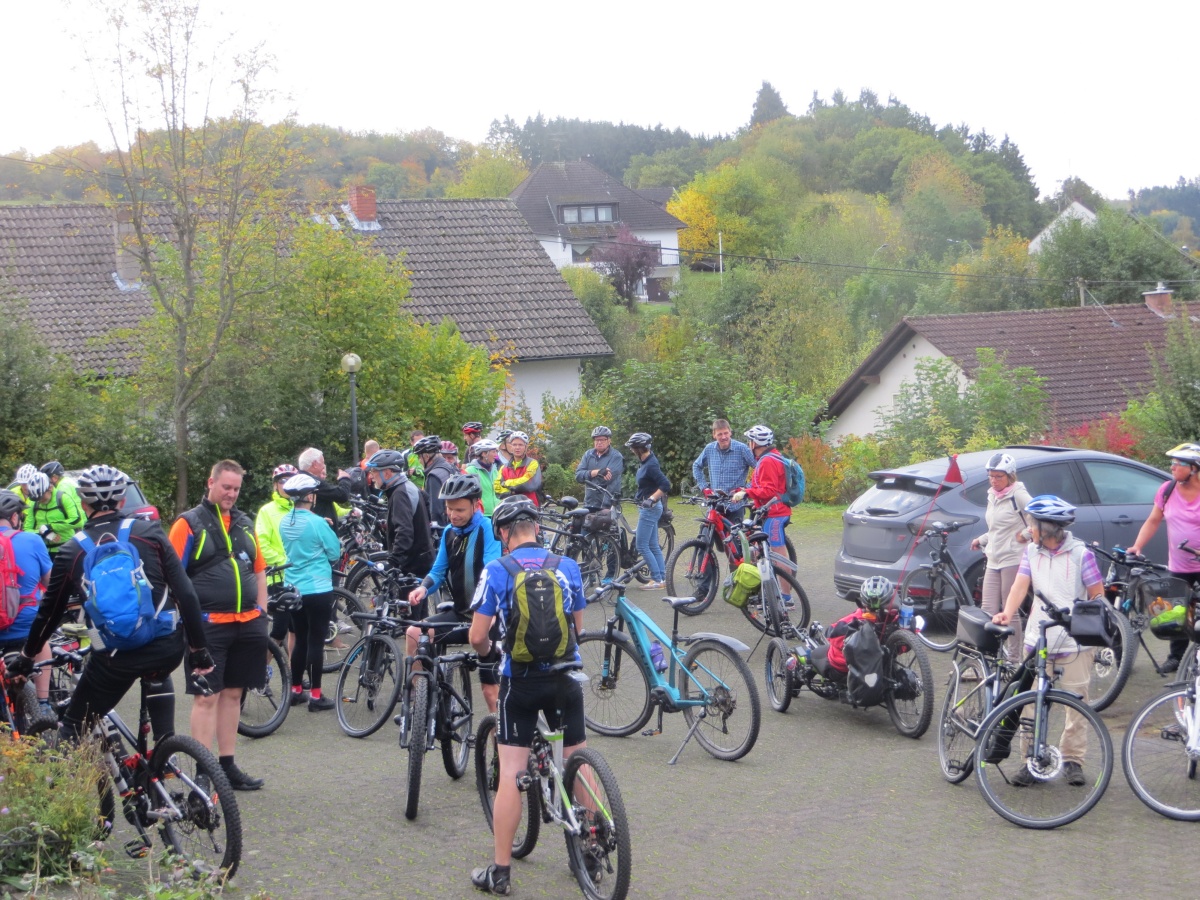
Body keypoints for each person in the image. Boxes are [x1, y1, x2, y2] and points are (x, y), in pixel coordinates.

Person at [8, 466, 213, 742]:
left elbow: (49, 614)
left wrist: (26, 657)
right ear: (121, 502)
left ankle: (84, 774)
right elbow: (186, 593)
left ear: (82, 503)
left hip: (115, 658)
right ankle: (165, 750)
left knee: (72, 729)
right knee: (156, 667)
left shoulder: (72, 551)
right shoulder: (150, 533)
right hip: (167, 648)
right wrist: (199, 649)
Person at [467, 496, 588, 896]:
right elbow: (578, 628)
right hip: (565, 679)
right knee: (577, 760)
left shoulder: (497, 570)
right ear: (536, 527)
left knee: (510, 774)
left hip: (519, 683)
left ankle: (500, 873)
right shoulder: (566, 566)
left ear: (503, 534)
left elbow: (478, 636)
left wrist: (487, 655)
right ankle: (589, 848)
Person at [992, 495, 1103, 787]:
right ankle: (1031, 761)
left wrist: (1092, 620)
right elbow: (1020, 584)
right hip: (1037, 639)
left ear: (1049, 528)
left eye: (1033, 524)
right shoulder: (1031, 551)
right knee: (1030, 705)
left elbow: (1097, 594)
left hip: (1073, 643)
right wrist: (1007, 612)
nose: (1029, 529)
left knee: (1076, 704)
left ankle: (1072, 760)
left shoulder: (1081, 554)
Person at [170, 460, 268, 791]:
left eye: (236, 489)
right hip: (208, 625)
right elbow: (172, 575)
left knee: (233, 694)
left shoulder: (244, 522)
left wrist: (263, 611)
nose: (231, 494)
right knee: (206, 697)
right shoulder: (188, 524)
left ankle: (227, 767)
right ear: (210, 482)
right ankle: (203, 772)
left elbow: (259, 569)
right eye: (226, 487)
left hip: (247, 623)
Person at [405, 473, 502, 712]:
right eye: (449, 509)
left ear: (476, 504)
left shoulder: (488, 529)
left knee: (491, 694)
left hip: (488, 619)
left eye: (459, 509)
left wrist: (491, 613)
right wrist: (422, 588)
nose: (453, 515)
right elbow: (438, 571)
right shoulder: (449, 532)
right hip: (460, 616)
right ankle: (419, 702)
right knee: (414, 633)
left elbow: (491, 572)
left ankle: (500, 743)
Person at [1129, 442, 1200, 672]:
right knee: (1176, 612)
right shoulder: (1167, 491)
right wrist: (1137, 546)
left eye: (1177, 463)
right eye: (1172, 463)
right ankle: (1175, 658)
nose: (1172, 467)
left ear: (1194, 468)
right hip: (1179, 566)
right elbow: (1153, 521)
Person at [277, 473, 342, 711]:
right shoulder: (317, 523)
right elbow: (334, 553)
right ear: (310, 497)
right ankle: (316, 695)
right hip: (318, 588)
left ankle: (295, 691)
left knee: (300, 639)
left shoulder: (284, 521)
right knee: (316, 640)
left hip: (294, 588)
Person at [969, 452, 1032, 658]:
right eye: (991, 476)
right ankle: (986, 659)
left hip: (1013, 558)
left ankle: (1013, 660)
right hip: (994, 558)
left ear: (1010, 475)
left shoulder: (1018, 495)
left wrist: (1024, 535)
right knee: (987, 610)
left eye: (998, 476)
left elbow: (1038, 521)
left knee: (1009, 611)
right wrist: (982, 539)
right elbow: (997, 528)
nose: (994, 481)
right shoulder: (992, 496)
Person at [0, 489, 54, 711]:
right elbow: (51, 582)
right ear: (14, 517)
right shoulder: (32, 540)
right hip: (26, 627)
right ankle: (43, 703)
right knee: (42, 640)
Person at [732, 425, 793, 606]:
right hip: (771, 511)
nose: (748, 443)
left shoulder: (767, 461)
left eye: (750, 440)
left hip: (775, 513)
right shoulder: (769, 457)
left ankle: (787, 598)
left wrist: (748, 493)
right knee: (764, 551)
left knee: (779, 554)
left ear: (756, 443)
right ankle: (770, 590)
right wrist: (752, 495)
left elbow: (770, 490)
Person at [366, 449, 435, 580]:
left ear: (386, 473)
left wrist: (393, 562)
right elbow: (426, 501)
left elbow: (404, 531)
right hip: (420, 557)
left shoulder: (399, 494)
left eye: (374, 471)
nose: (371, 475)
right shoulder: (406, 486)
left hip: (412, 565)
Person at [255, 464, 298, 650]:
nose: (287, 484)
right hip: (278, 576)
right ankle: (260, 672)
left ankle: (293, 676)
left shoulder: (300, 508)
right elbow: (261, 545)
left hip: (299, 576)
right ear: (275, 486)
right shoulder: (267, 511)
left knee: (296, 629)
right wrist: (283, 562)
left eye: (292, 480)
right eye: (283, 480)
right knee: (279, 630)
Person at [626, 432, 670, 590]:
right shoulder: (645, 461)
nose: (631, 450)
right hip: (648, 508)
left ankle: (657, 579)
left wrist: (651, 499)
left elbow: (665, 485)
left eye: (632, 448)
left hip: (650, 509)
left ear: (639, 448)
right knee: (653, 545)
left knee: (642, 545)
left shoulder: (651, 464)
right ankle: (662, 579)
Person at [691, 418, 755, 513]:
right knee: (705, 528)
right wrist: (704, 488)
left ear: (730, 432)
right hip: (715, 504)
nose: (723, 437)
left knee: (734, 528)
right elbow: (696, 466)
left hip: (735, 505)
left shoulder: (742, 449)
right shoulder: (709, 449)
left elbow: (760, 469)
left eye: (725, 433)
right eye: (719, 434)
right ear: (714, 435)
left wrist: (746, 489)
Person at [25, 464, 86, 554]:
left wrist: (51, 527)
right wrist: (43, 532)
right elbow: (27, 530)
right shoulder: (34, 503)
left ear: (50, 488)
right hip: (44, 550)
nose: (40, 501)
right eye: (36, 499)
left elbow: (77, 521)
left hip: (66, 548)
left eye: (42, 497)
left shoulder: (63, 497)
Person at [298, 447, 352, 525]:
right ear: (315, 464)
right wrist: (345, 478)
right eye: (322, 462)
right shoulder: (312, 482)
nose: (324, 466)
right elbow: (342, 495)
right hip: (319, 531)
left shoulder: (300, 479)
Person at [574, 426, 624, 510]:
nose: (599, 442)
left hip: (608, 506)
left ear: (609, 440)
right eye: (597, 440)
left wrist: (587, 475)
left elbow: (605, 480)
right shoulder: (588, 455)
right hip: (589, 503)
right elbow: (578, 476)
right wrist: (597, 472)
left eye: (602, 439)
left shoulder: (616, 457)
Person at [415, 435, 458, 526]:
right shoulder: (452, 468)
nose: (419, 461)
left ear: (426, 456)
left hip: (443, 529)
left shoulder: (434, 476)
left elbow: (435, 510)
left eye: (419, 457)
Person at [494, 431, 541, 507]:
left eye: (520, 445)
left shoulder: (532, 463)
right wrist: (511, 492)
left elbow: (528, 484)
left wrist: (507, 483)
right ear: (511, 447)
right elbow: (497, 488)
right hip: (510, 507)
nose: (517, 447)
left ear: (526, 446)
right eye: (514, 445)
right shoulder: (504, 468)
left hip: (530, 507)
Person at [466, 439, 501, 517]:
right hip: (481, 514)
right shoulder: (471, 471)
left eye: (496, 451)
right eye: (493, 451)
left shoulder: (495, 470)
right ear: (484, 454)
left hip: (497, 513)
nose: (496, 455)